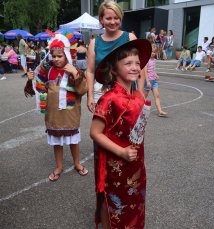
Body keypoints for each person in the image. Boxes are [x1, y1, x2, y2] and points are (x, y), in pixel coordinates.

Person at [90, 39, 152, 229]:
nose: (135, 67)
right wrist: (121, 152)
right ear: (114, 70)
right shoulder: (109, 99)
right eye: (128, 63)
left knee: (135, 200)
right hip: (114, 163)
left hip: (135, 161)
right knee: (113, 201)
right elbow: (94, 133)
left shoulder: (138, 95)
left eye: (137, 63)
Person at [24, 33, 88, 181]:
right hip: (54, 115)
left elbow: (83, 90)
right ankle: (59, 166)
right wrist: (30, 80)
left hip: (70, 114)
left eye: (60, 56)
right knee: (57, 143)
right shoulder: (48, 71)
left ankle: (77, 163)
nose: (56, 59)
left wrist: (76, 75)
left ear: (66, 54)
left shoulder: (74, 70)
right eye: (54, 56)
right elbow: (38, 89)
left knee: (73, 141)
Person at [86, 1, 143, 113]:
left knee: (127, 127)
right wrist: (90, 96)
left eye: (116, 18)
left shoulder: (130, 38)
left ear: (120, 18)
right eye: (108, 18)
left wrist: (140, 94)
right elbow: (90, 71)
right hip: (102, 92)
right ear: (101, 20)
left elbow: (141, 67)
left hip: (127, 91)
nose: (113, 22)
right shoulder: (94, 43)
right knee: (102, 128)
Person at [144, 46, 167, 117]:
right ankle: (138, 109)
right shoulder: (146, 60)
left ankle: (160, 111)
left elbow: (153, 69)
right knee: (144, 97)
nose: (153, 53)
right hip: (149, 81)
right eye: (152, 51)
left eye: (154, 52)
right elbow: (145, 72)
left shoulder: (154, 60)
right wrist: (147, 81)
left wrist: (156, 74)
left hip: (154, 81)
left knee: (157, 96)